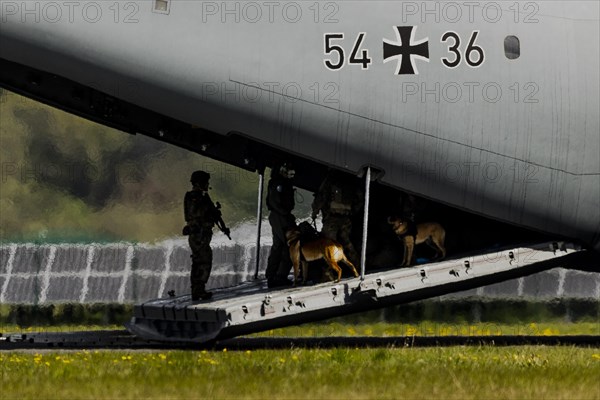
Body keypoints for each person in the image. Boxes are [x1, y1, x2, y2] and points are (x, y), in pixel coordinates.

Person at [183, 170, 223, 301]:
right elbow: (198, 215)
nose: (207, 185)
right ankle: (198, 290)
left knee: (200, 261)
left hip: (200, 235)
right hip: (199, 235)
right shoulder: (196, 197)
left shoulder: (199, 197)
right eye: (206, 182)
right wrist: (212, 213)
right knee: (203, 261)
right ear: (200, 183)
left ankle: (198, 290)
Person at [311, 169, 363, 267]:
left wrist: (315, 212)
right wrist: (353, 212)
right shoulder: (351, 180)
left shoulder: (331, 179)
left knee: (328, 246)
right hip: (346, 219)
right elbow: (360, 198)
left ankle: (328, 272)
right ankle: (358, 266)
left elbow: (321, 197)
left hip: (332, 219)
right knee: (347, 244)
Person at [265, 163, 297, 288]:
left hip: (280, 216)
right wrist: (285, 215)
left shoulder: (281, 182)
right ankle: (279, 276)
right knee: (288, 245)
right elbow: (275, 201)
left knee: (278, 246)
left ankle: (272, 276)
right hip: (280, 216)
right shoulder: (278, 183)